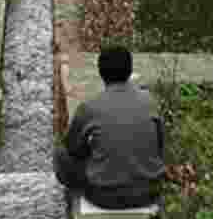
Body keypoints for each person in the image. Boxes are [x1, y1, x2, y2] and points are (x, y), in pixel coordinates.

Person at [54, 46, 165, 209]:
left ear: (100, 73)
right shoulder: (150, 102)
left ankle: (74, 206)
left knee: (60, 155)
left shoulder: (89, 108)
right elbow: (160, 146)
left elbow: (72, 149)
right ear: (130, 70)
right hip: (149, 193)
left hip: (104, 197)